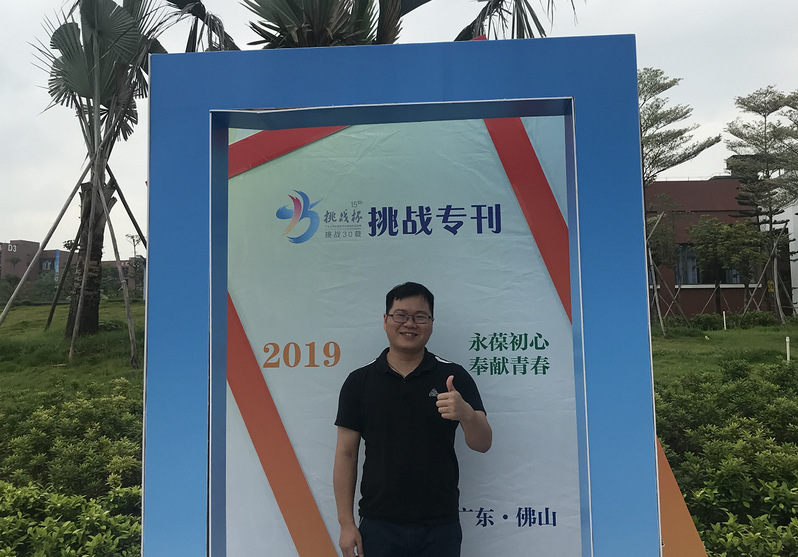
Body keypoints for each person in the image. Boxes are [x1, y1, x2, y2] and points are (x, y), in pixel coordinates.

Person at [333, 282, 492, 557]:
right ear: (385, 320)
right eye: (401, 315)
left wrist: (466, 414)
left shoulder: (453, 377)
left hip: (439, 526)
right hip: (378, 525)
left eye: (420, 316)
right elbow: (346, 454)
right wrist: (346, 524)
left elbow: (483, 443)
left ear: (431, 323)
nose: (410, 324)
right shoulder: (359, 381)